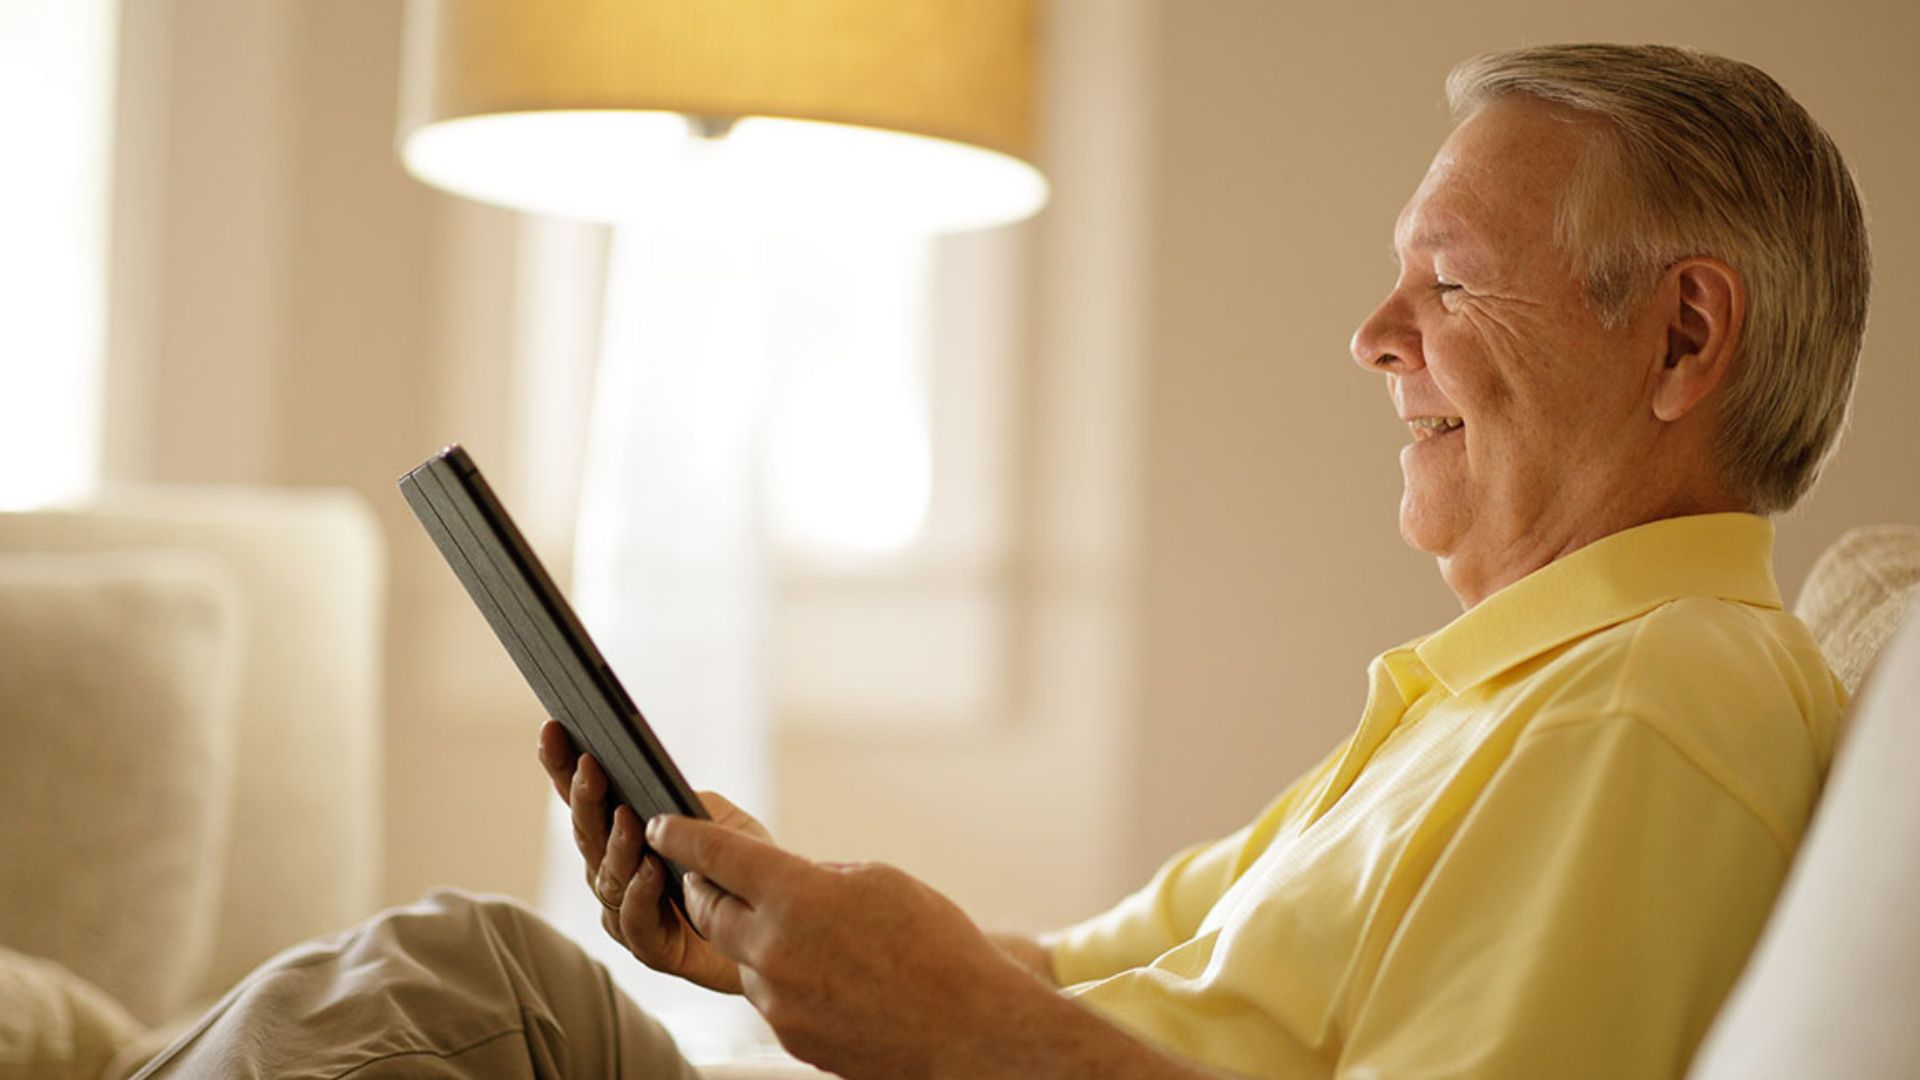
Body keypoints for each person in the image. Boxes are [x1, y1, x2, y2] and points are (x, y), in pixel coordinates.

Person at [133, 42, 1869, 1080]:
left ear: (1682, 335)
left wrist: (953, 1025)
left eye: (1450, 279)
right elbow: (1082, 978)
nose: (1370, 335)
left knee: (452, 992)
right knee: (439, 987)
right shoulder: (1496, 699)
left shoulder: (1655, 710)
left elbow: (997, 1023)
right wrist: (781, 934)